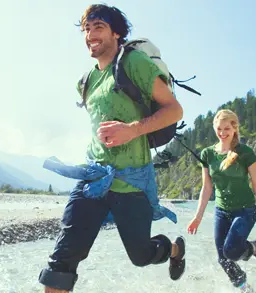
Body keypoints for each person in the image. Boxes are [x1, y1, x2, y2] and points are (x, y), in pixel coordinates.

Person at [38, 4, 186, 293]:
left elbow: (174, 110)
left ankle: (173, 250)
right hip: (93, 179)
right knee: (62, 260)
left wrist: (132, 130)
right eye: (86, 29)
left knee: (141, 255)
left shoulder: (134, 63)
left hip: (131, 182)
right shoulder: (86, 80)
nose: (90, 34)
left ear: (116, 33)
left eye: (98, 27)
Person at [187, 109, 256, 292]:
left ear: (234, 128)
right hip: (221, 211)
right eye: (219, 128)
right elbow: (207, 188)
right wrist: (198, 217)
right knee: (223, 259)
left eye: (226, 128)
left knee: (232, 251)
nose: (222, 133)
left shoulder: (245, 153)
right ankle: (245, 289)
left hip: (245, 210)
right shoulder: (207, 154)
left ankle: (255, 247)